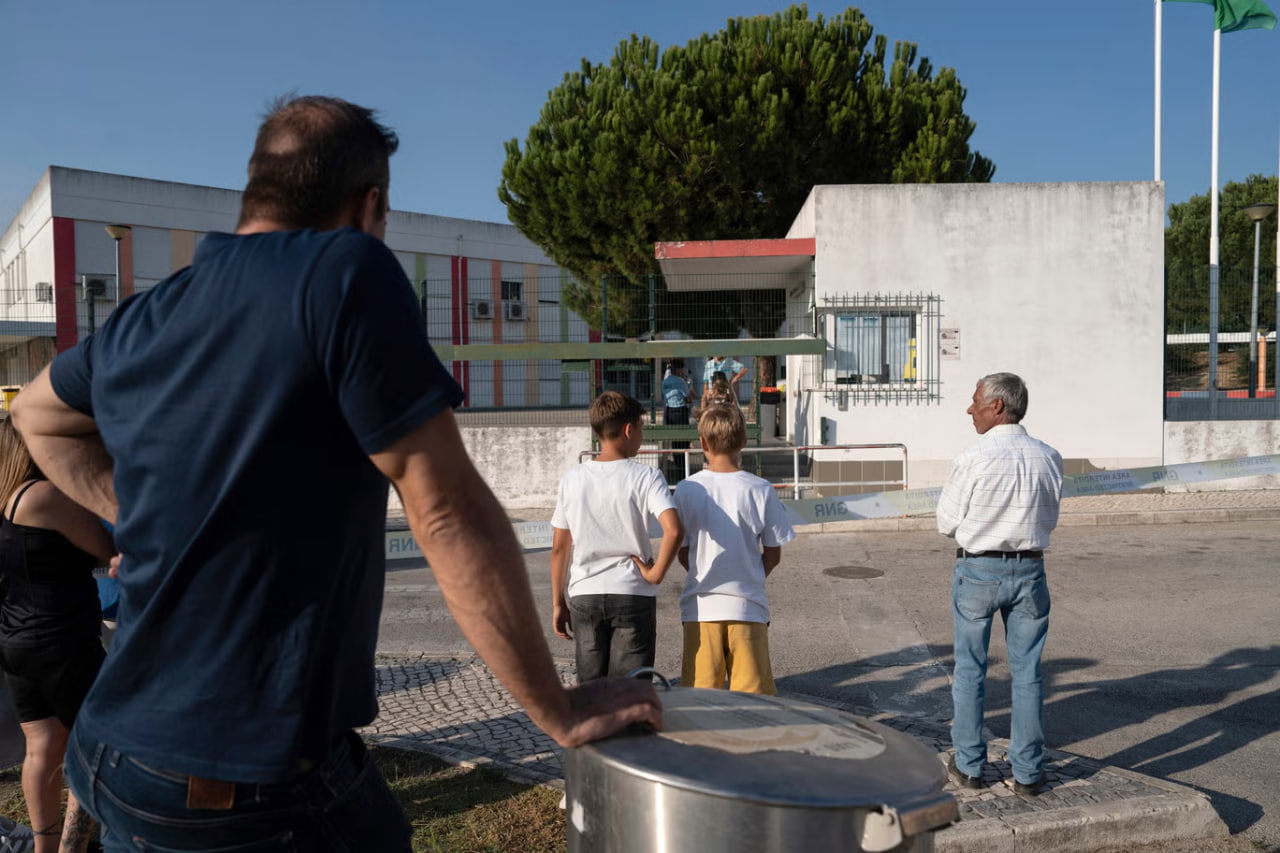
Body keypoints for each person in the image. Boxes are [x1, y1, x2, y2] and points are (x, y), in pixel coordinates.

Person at [10, 95, 660, 852]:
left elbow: (36, 414)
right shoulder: (346, 270)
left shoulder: (148, 314)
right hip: (244, 779)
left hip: (113, 753)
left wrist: (137, 513)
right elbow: (444, 509)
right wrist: (558, 707)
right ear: (370, 204)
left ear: (257, 191)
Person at [935, 372, 1063, 797]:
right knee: (1028, 672)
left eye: (975, 401)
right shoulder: (1049, 456)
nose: (969, 408)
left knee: (970, 669)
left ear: (997, 407)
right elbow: (1050, 516)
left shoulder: (973, 458)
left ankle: (970, 765)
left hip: (978, 570)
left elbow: (946, 523)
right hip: (1030, 569)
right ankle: (1028, 773)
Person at [0, 419, 114, 853]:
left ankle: (48, 850)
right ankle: (72, 848)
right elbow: (105, 546)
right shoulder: (44, 496)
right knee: (92, 745)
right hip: (60, 640)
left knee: (42, 746)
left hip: (17, 637)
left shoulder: (8, 499)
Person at [551, 391, 683, 682]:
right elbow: (673, 529)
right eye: (641, 429)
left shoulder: (573, 478)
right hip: (633, 593)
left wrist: (558, 602)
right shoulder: (647, 477)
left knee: (593, 693)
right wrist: (656, 574)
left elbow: (560, 547)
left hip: (584, 594)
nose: (641, 436)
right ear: (628, 429)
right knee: (630, 693)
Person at [673, 404, 794, 694]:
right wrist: (751, 573)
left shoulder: (687, 489)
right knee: (754, 700)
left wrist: (701, 571)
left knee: (699, 698)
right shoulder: (761, 489)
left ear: (701, 443)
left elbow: (680, 550)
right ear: (744, 441)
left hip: (700, 608)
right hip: (748, 606)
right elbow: (773, 552)